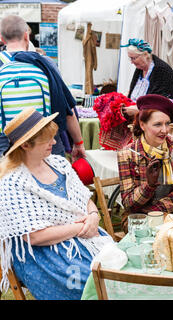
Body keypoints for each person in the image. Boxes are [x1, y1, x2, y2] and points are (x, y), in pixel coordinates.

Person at [0, 108, 113, 300]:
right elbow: (33, 236)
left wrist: (94, 217)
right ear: (26, 145)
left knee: (121, 271)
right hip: (45, 255)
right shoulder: (10, 182)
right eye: (47, 139)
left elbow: (86, 201)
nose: (54, 142)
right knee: (95, 282)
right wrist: (80, 227)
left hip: (87, 237)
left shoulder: (60, 164)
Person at [0, 15, 86, 161]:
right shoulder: (44, 63)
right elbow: (67, 110)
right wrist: (78, 143)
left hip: (6, 143)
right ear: (27, 36)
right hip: (45, 141)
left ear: (2, 39)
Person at [117, 94, 173, 232]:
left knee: (170, 235)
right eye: (158, 124)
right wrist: (149, 186)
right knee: (146, 236)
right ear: (142, 125)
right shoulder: (127, 154)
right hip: (137, 217)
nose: (164, 130)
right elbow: (129, 204)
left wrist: (156, 212)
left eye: (167, 124)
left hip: (171, 213)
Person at [120, 38, 173, 121]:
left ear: (145, 54)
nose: (131, 62)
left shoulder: (161, 69)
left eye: (133, 58)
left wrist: (140, 110)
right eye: (130, 58)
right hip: (141, 117)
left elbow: (160, 102)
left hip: (160, 119)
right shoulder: (140, 69)